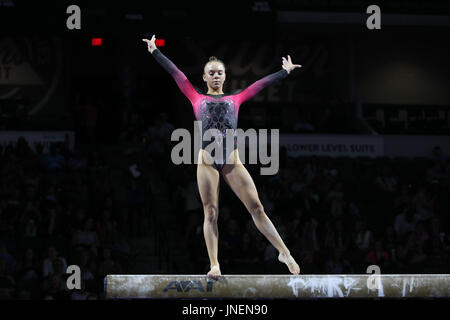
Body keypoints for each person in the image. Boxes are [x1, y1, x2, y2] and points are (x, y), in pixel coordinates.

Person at [142, 35, 301, 279]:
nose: (216, 76)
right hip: (206, 161)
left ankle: (284, 252)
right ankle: (214, 264)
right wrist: (155, 51)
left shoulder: (235, 98)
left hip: (231, 161)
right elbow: (176, 74)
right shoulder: (196, 97)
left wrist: (284, 72)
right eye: (211, 73)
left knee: (257, 207)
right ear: (204, 77)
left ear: (225, 76)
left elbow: (259, 85)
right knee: (211, 212)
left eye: (220, 72)